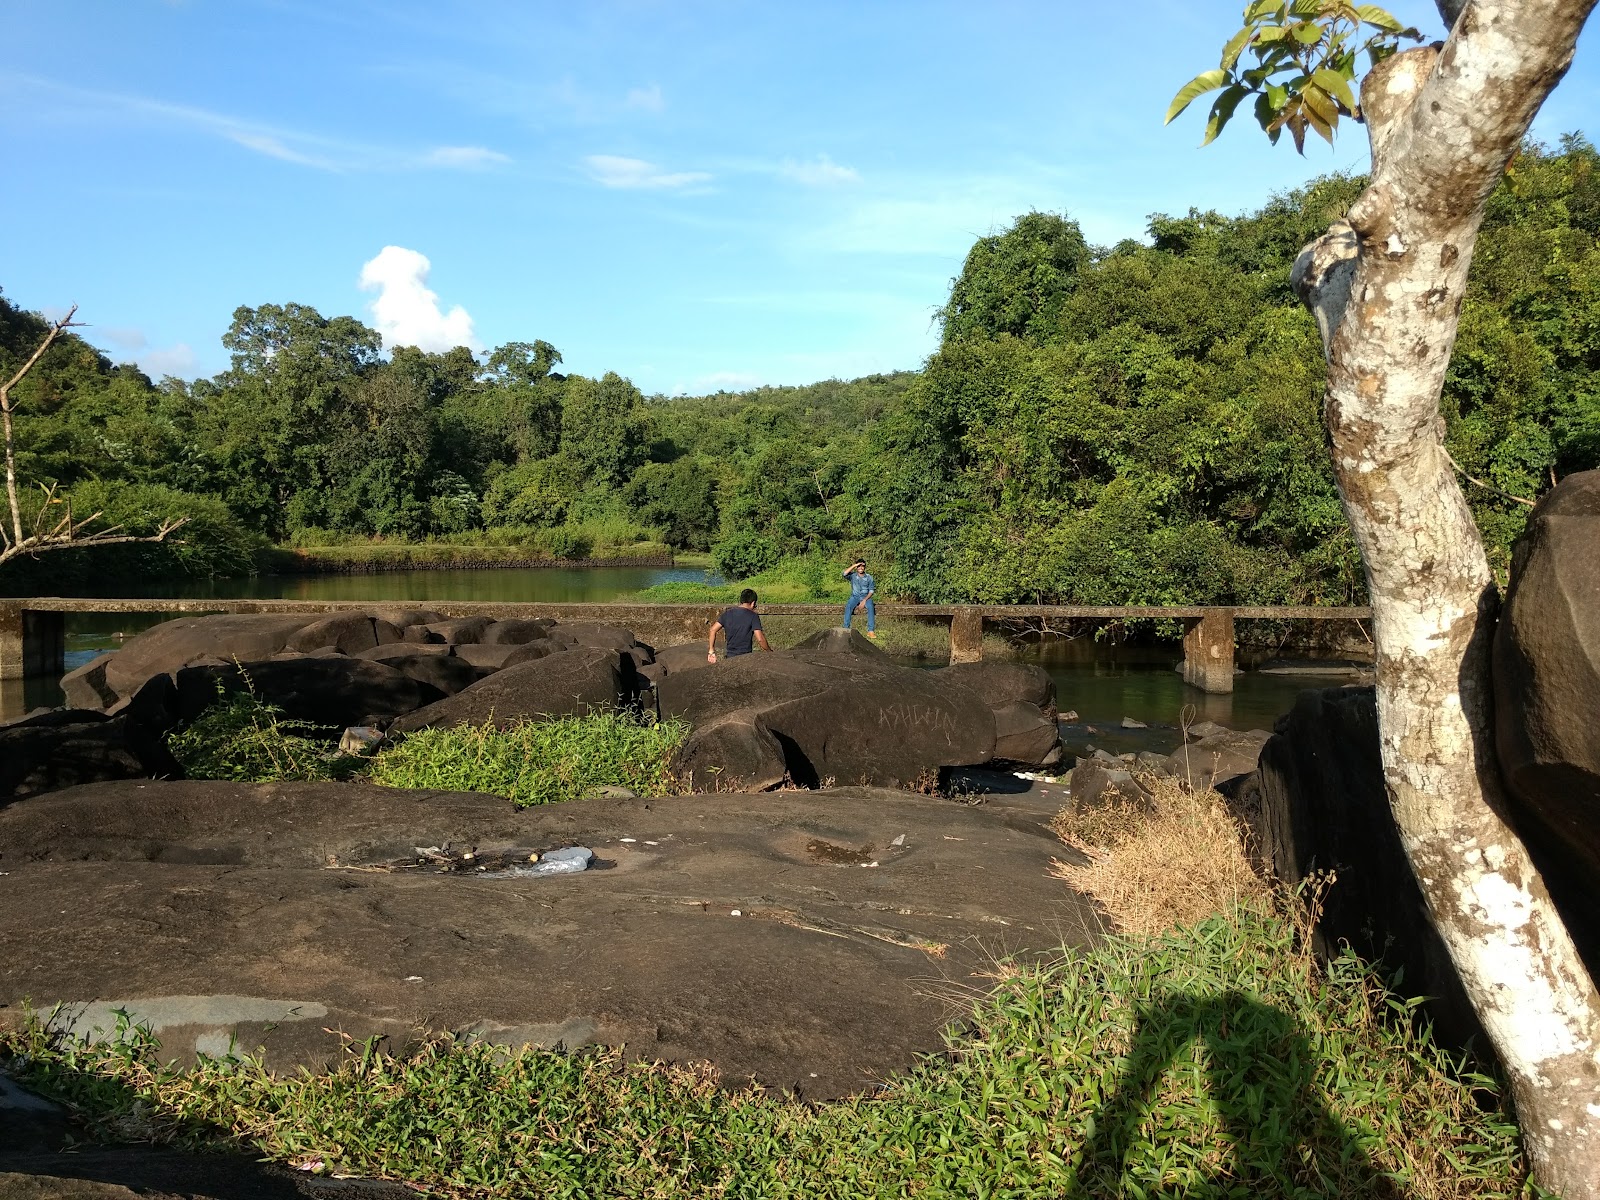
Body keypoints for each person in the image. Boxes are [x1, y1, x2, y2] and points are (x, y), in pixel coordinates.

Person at [708, 588, 772, 662]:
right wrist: (769, 651)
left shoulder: (727, 613)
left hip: (730, 656)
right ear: (753, 603)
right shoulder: (753, 616)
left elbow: (713, 629)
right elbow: (760, 639)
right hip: (745, 657)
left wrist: (711, 650)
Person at [842, 558, 876, 638]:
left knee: (871, 607)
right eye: (859, 566)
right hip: (855, 597)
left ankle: (870, 630)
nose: (860, 568)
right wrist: (854, 565)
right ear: (856, 567)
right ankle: (846, 628)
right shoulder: (853, 576)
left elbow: (871, 590)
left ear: (865, 567)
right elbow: (844, 573)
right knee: (849, 606)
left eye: (862, 566)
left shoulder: (869, 577)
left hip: (865, 597)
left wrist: (864, 600)